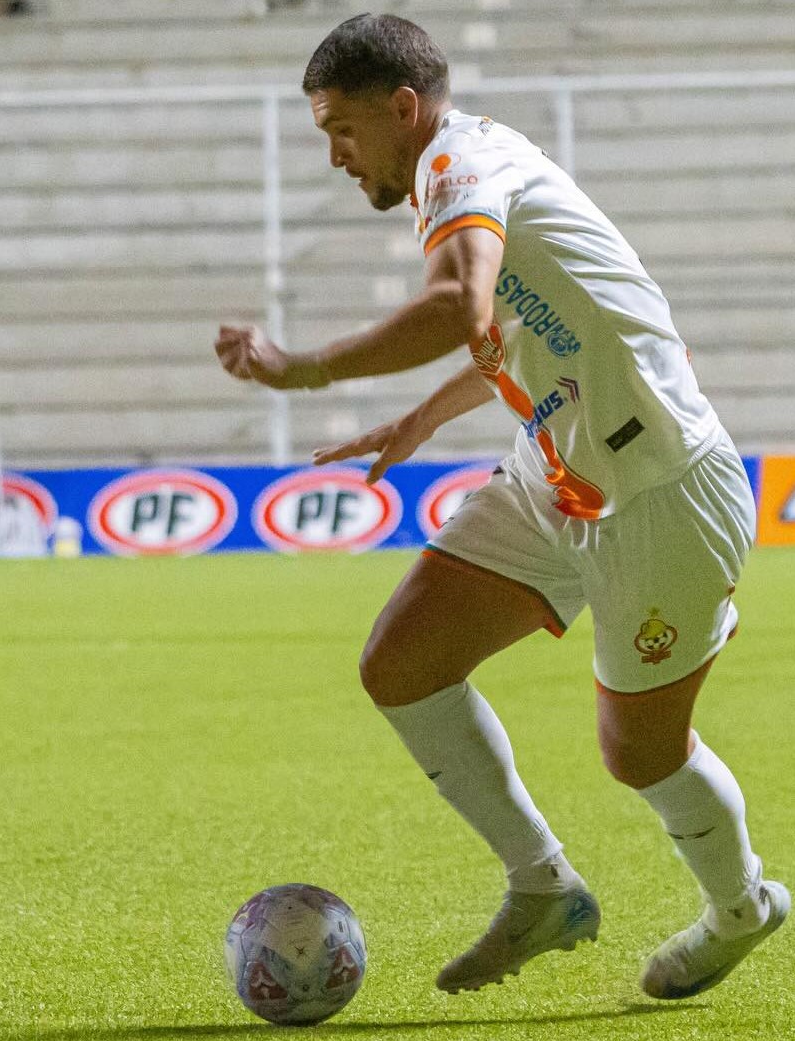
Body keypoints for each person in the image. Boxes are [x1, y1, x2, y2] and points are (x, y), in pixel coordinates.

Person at [214, 14, 785, 999]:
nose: (335, 156)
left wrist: (296, 369)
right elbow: (524, 332)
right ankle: (542, 887)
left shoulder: (456, 169)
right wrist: (417, 419)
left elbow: (457, 313)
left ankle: (741, 905)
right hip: (557, 472)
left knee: (638, 755)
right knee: (401, 664)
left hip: (660, 494)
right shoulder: (460, 172)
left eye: (339, 129)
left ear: (402, 108)